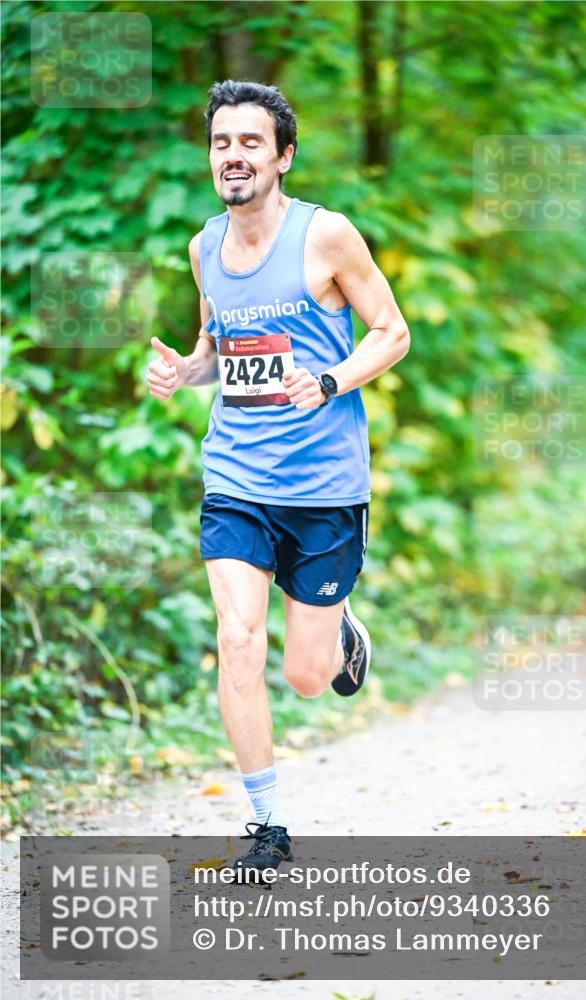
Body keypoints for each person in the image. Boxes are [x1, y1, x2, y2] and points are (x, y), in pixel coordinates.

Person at [146, 80, 409, 877]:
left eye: (250, 142)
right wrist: (187, 370)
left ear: (283, 156)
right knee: (235, 640)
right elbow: (218, 348)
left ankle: (340, 630)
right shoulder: (203, 247)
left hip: (323, 484)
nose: (233, 156)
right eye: (222, 142)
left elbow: (390, 332)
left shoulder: (325, 236)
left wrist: (329, 380)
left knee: (305, 677)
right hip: (235, 474)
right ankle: (268, 828)